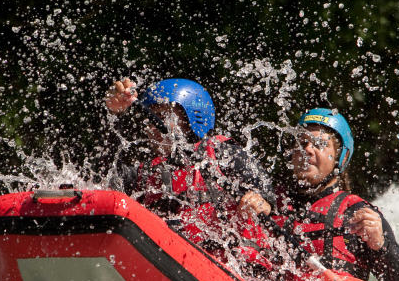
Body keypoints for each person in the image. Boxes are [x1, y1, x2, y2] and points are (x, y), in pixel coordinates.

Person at [240, 108, 399, 281]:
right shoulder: (269, 202)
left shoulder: (357, 213)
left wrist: (380, 247)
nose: (307, 149)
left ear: (340, 158)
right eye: (301, 143)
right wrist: (246, 216)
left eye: (319, 144)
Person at [102, 77, 274, 256]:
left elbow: (268, 198)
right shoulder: (148, 172)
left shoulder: (225, 154)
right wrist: (114, 115)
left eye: (162, 116)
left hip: (231, 263)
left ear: (191, 119)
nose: (151, 127)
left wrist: (262, 203)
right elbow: (105, 176)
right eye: (151, 118)